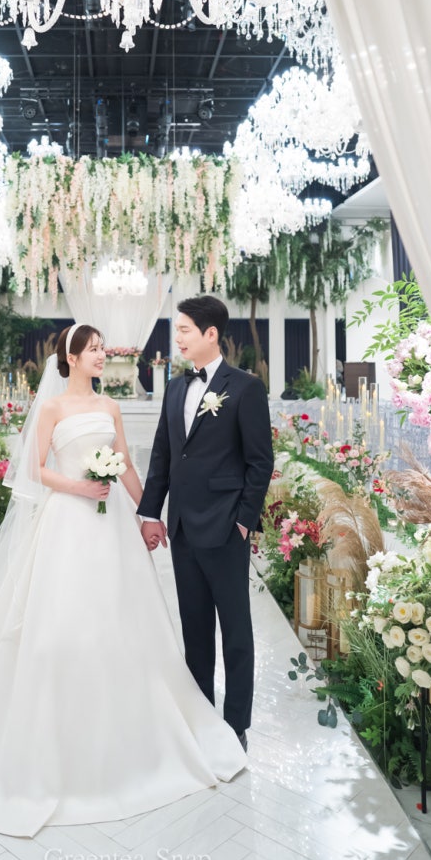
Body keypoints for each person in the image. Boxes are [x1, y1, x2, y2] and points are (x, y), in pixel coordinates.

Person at [0, 322, 246, 838]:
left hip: (112, 527)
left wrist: (149, 513)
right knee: (62, 622)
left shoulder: (111, 406)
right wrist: (79, 487)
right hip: (67, 522)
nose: (103, 355)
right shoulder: (54, 409)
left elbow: (127, 468)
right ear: (72, 358)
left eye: (103, 348)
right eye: (94, 349)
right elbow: (33, 469)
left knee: (123, 620)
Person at [139, 296, 274, 751]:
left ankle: (236, 724)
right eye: (177, 329)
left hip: (225, 525)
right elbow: (163, 454)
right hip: (182, 527)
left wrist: (244, 521)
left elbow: (260, 461)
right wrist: (151, 513)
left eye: (184, 330)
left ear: (210, 334)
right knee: (194, 629)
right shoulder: (175, 388)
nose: (177, 338)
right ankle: (200, 717)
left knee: (235, 631)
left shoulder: (246, 388)